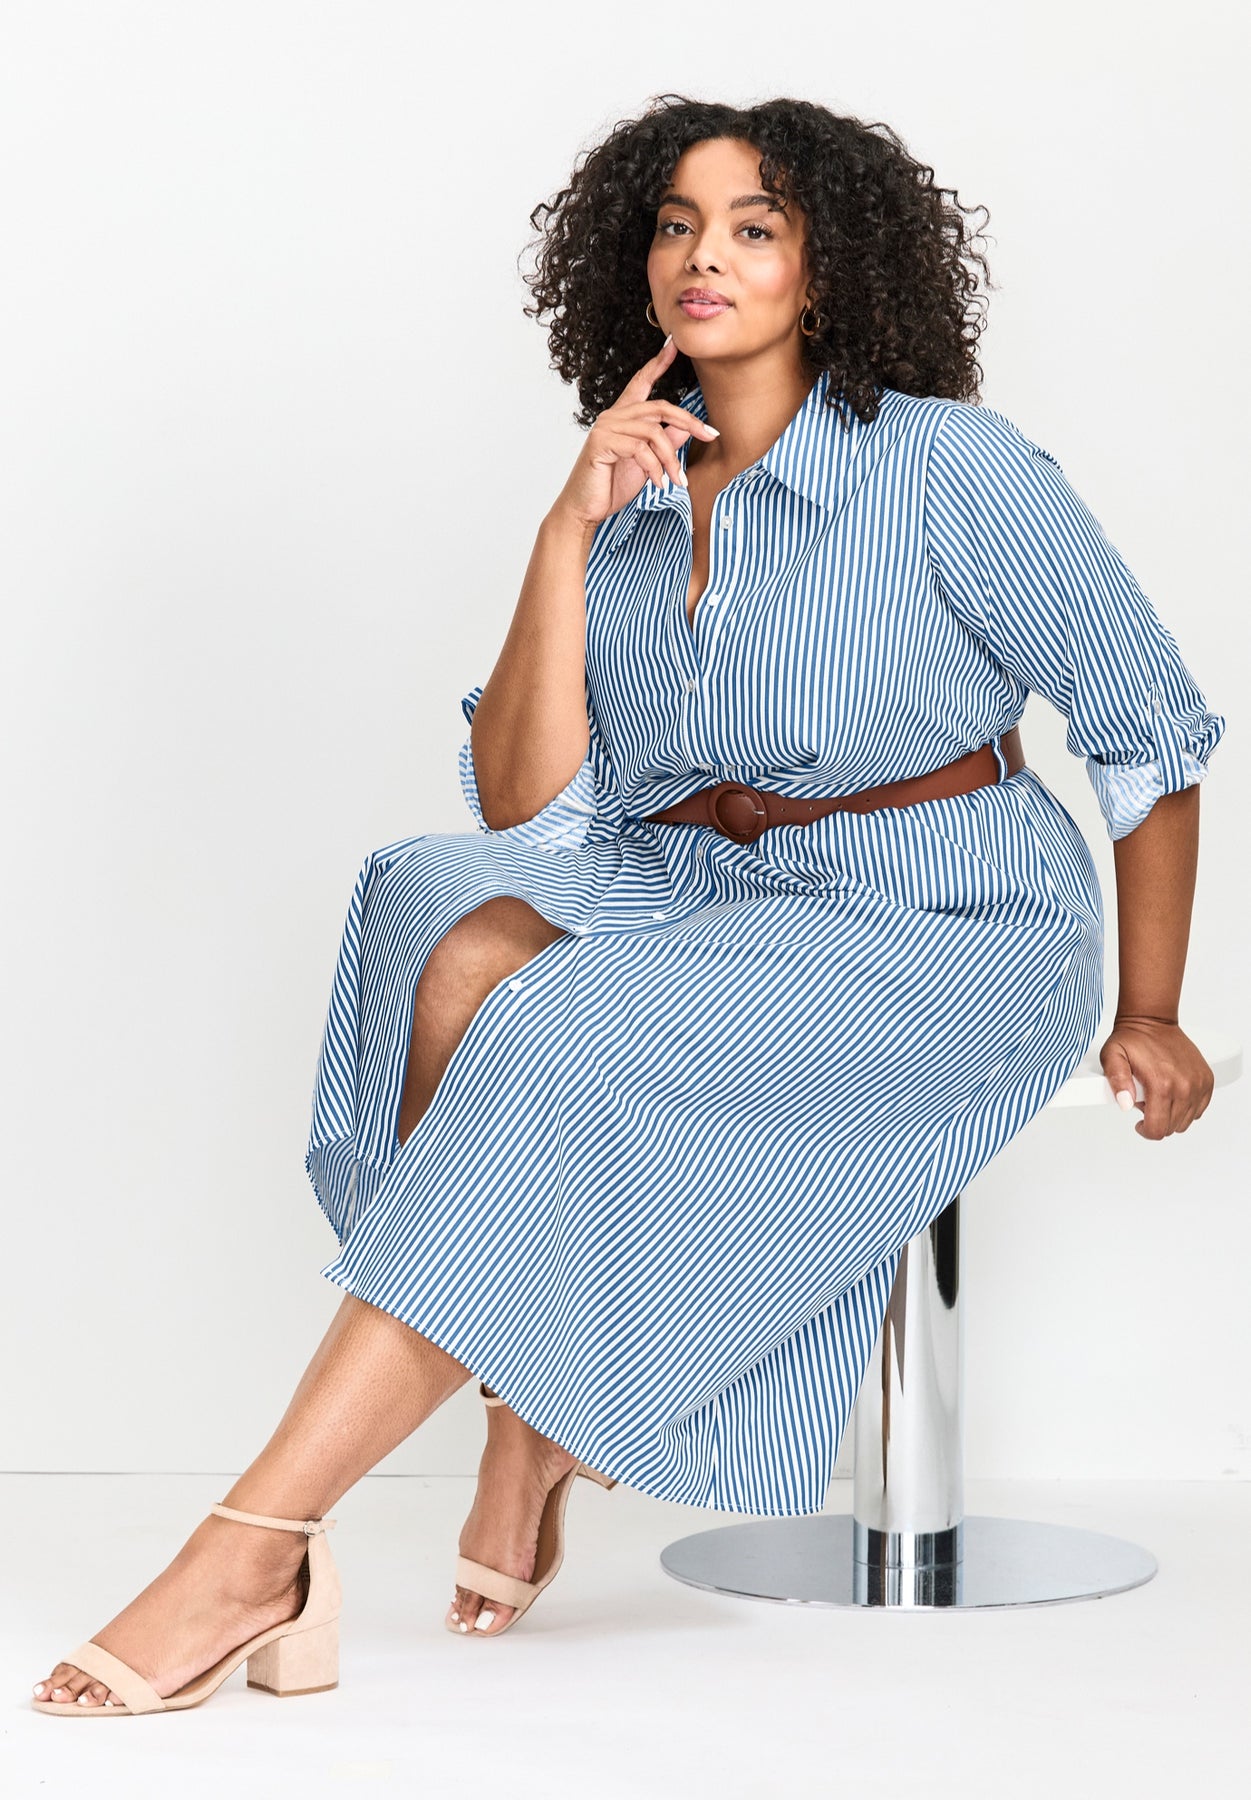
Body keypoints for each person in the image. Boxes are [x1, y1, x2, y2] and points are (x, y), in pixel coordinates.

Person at [32, 95, 1226, 1715]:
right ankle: (526, 1415)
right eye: (675, 226)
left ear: (828, 266)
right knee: (441, 914)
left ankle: (257, 1546)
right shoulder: (636, 484)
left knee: (556, 1022)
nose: (702, 257)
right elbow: (521, 803)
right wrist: (565, 526)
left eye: (753, 227)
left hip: (944, 914)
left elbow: (1147, 727)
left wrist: (1151, 1006)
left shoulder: (952, 466)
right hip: (700, 879)